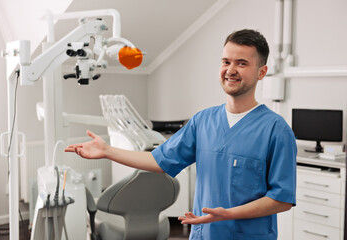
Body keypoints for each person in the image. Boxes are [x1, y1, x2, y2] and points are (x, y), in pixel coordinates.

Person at [65, 29, 297, 240]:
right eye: (226, 61)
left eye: (242, 63)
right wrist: (106, 151)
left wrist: (228, 214)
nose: (231, 70)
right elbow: (158, 160)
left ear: (261, 72)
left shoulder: (276, 131)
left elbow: (282, 199)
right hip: (203, 234)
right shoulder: (203, 121)